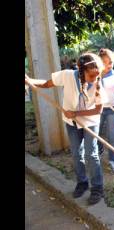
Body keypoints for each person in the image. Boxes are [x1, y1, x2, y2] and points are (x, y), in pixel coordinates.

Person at [25, 53, 108, 205]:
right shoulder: (68, 75)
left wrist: (77, 113)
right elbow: (47, 84)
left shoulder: (98, 82)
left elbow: (98, 110)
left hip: (90, 121)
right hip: (71, 122)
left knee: (91, 154)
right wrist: (30, 81)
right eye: (91, 76)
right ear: (81, 71)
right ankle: (82, 183)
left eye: (96, 76)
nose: (94, 79)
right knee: (77, 154)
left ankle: (97, 188)